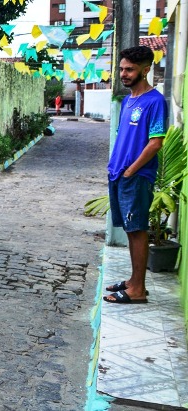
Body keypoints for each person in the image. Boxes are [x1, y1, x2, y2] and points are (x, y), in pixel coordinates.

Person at [104, 46, 168, 304]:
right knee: (131, 230)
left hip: (136, 177)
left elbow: (156, 142)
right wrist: (117, 168)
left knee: (138, 229)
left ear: (146, 69)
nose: (124, 73)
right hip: (119, 174)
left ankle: (138, 290)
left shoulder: (155, 101)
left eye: (129, 69)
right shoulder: (129, 100)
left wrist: (132, 170)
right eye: (121, 69)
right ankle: (133, 281)